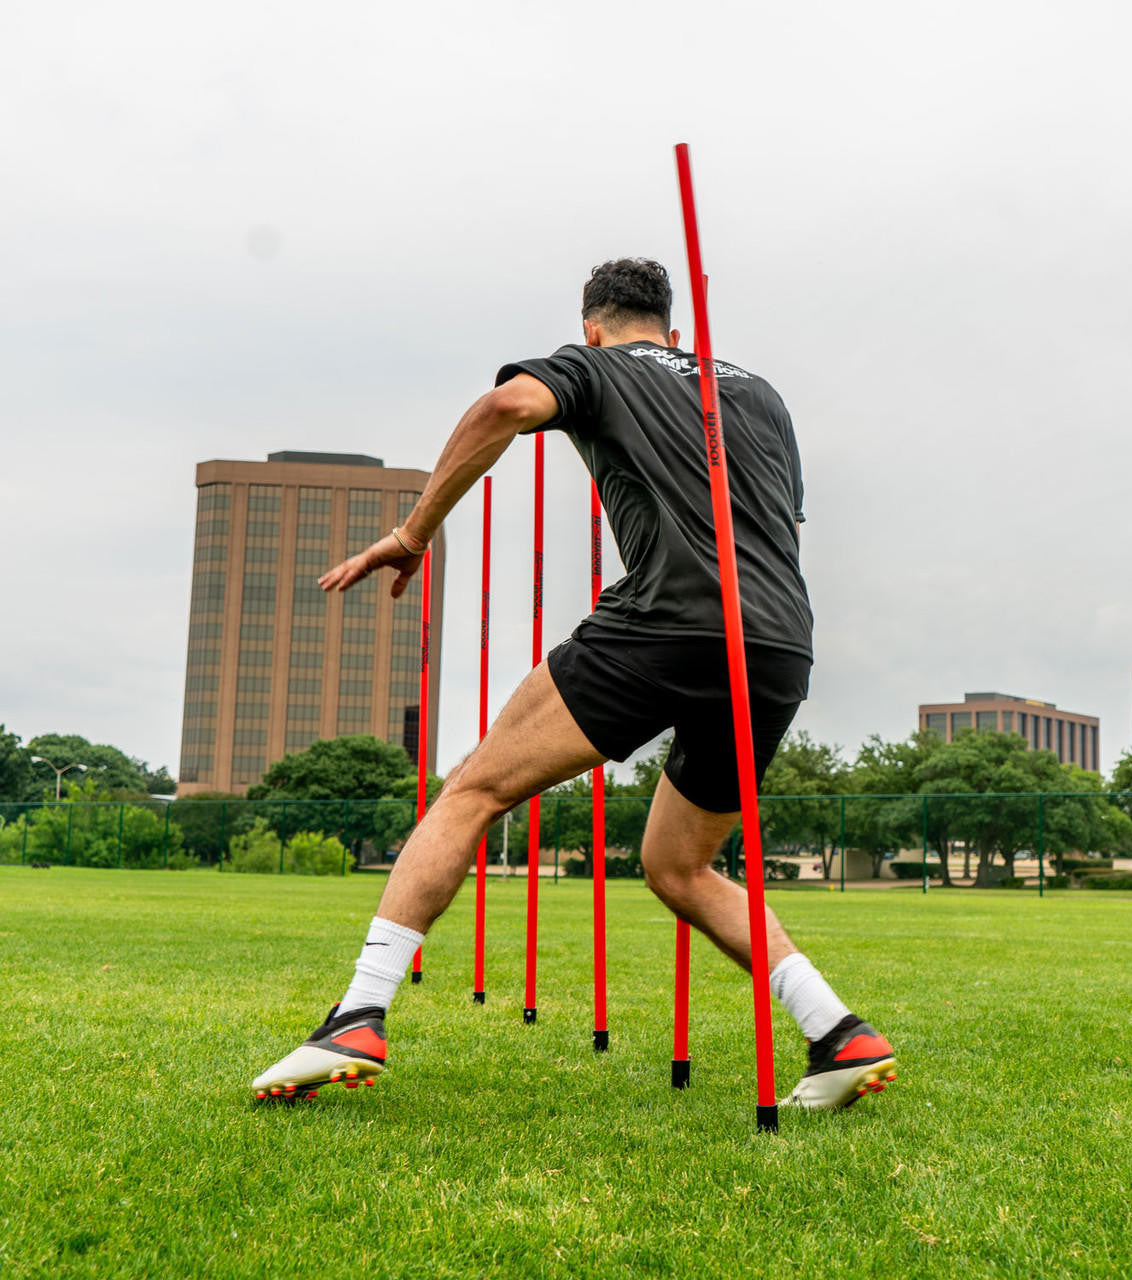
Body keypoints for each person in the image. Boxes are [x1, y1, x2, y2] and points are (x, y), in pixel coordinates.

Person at [252, 259, 895, 1110]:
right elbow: (782, 520)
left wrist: (412, 534)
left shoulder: (592, 364)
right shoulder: (760, 393)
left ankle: (357, 1015)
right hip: (777, 642)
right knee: (676, 864)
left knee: (472, 789)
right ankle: (838, 1033)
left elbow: (505, 406)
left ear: (591, 326)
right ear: (671, 326)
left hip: (666, 623)